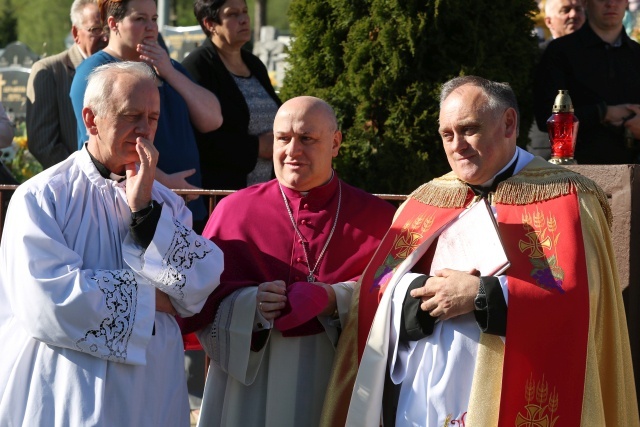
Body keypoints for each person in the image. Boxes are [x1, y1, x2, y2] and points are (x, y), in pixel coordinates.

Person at [322, 76, 639, 426]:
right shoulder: (425, 200)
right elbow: (376, 293)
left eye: (469, 129)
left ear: (508, 124)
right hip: (423, 396)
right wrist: (420, 298)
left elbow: (580, 302)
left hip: (508, 390)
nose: (457, 145)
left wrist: (480, 295)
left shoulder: (567, 198)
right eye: (447, 134)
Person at [0, 61, 224, 426]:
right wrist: (155, 301)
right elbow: (49, 300)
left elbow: (200, 283)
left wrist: (143, 213)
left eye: (152, 118)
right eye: (132, 116)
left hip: (152, 388)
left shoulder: (164, 202)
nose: (144, 131)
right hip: (70, 387)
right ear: (91, 120)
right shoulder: (42, 197)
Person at [179, 96, 396, 427]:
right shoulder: (234, 211)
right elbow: (197, 300)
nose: (292, 151)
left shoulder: (376, 217)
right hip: (251, 376)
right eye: (283, 138)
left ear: (335, 143)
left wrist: (334, 298)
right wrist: (250, 304)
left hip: (335, 372)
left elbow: (396, 299)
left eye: (307, 139)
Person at [70, 0, 223, 231]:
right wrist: (164, 183)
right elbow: (99, 144)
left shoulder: (165, 66)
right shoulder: (95, 72)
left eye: (153, 19)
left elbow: (213, 119)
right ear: (114, 24)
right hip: (134, 211)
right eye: (139, 19)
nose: (150, 27)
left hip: (187, 207)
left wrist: (169, 71)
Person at [182, 0, 281, 190]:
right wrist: (257, 147)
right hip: (223, 191)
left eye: (245, 12)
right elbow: (201, 140)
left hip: (267, 188)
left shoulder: (254, 64)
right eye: (233, 14)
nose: (244, 19)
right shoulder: (198, 66)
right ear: (210, 24)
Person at [534, 0, 640, 164]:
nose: (611, 4)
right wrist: (603, 113)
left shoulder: (636, 54)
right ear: (586, 3)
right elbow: (546, 118)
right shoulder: (560, 52)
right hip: (579, 173)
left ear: (626, 3)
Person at [26, 0, 107, 169]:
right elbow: (43, 144)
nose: (105, 36)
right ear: (76, 33)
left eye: (108, 28)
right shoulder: (49, 72)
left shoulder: (120, 70)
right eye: (96, 29)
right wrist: (85, 173)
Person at [527, 0, 585, 159]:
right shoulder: (538, 56)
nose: (574, 15)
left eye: (578, 9)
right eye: (565, 10)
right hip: (547, 150)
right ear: (548, 22)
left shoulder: (596, 57)